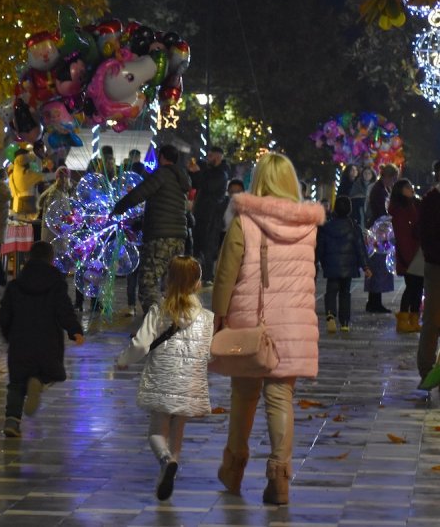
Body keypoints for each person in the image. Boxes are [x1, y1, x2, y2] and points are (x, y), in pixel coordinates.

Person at [211, 152, 325, 506]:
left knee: (244, 397)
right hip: (294, 322)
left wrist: (218, 315)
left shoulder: (244, 222)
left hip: (251, 323)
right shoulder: (307, 226)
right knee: (280, 399)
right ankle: (280, 477)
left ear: (259, 181)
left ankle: (233, 469)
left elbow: (226, 274)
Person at [116, 255, 213, 501]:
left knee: (156, 432)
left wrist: (123, 360)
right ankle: (169, 471)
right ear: (197, 284)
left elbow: (140, 345)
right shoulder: (206, 317)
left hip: (162, 377)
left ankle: (165, 460)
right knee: (177, 429)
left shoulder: (160, 310)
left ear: (168, 280)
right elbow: (209, 351)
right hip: (190, 379)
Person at [0, 241, 84, 439]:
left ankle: (12, 420)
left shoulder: (15, 285)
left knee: (17, 382)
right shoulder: (56, 285)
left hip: (20, 341)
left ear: (29, 258)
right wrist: (75, 331)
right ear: (51, 260)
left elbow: (4, 315)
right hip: (48, 340)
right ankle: (39, 381)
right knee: (49, 371)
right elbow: (64, 310)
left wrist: (8, 335)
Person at [111, 144, 191, 316]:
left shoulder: (161, 174)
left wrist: (118, 208)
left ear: (161, 157)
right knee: (172, 282)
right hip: (178, 237)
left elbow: (139, 193)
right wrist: (140, 223)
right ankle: (174, 322)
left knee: (148, 283)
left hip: (160, 238)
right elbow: (164, 207)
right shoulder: (180, 180)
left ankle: (154, 326)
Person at [316, 197, 371, 333]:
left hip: (331, 266)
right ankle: (345, 322)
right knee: (345, 293)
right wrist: (366, 267)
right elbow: (360, 249)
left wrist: (315, 261)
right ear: (349, 210)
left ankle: (330, 313)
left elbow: (320, 247)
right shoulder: (354, 227)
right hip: (348, 267)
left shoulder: (326, 227)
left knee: (331, 291)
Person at [188, 146, 230, 283]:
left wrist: (199, 173)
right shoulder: (209, 171)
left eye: (210, 156)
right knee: (197, 246)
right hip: (201, 215)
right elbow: (198, 184)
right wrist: (193, 173)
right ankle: (196, 274)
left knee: (207, 247)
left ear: (218, 157)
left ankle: (206, 277)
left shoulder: (221, 174)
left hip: (211, 217)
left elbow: (208, 186)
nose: (208, 158)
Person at [389, 179, 424, 334]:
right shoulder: (400, 209)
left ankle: (414, 319)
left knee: (418, 287)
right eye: (408, 187)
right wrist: (406, 257)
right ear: (400, 191)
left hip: (419, 252)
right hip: (409, 254)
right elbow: (402, 235)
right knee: (411, 287)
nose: (411, 189)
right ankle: (403, 320)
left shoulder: (415, 204)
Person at [417, 160, 440, 390]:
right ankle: (427, 369)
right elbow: (426, 236)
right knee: (433, 320)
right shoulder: (431, 201)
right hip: (436, 267)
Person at [364, 164, 399, 314]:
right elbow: (380, 211)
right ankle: (374, 302)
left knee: (378, 267)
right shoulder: (378, 191)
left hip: (382, 231)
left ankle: (375, 301)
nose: (393, 182)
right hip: (379, 232)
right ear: (387, 176)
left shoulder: (383, 189)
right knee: (377, 266)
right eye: (392, 178)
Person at [9, 149, 51, 220]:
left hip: (16, 204)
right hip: (27, 204)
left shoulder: (12, 172)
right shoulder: (25, 172)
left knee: (20, 226)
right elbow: (44, 176)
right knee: (28, 225)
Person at [37, 166, 73, 242]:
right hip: (53, 231)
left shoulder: (64, 192)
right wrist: (65, 219)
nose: (64, 180)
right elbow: (52, 214)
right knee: (54, 251)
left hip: (59, 230)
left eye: (66, 177)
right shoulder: (54, 193)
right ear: (57, 178)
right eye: (61, 177)